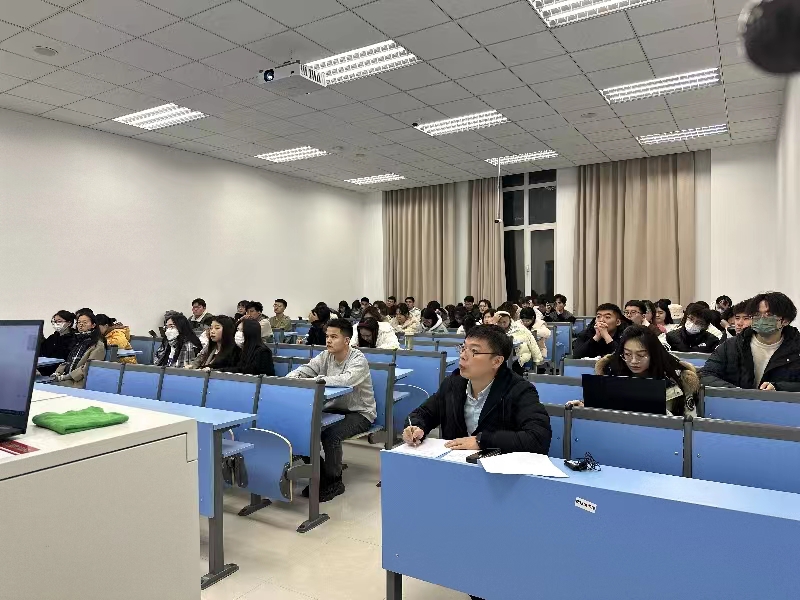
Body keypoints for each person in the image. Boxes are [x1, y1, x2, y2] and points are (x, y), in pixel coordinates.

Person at [402, 325, 551, 456]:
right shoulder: (453, 384)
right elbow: (424, 413)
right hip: (454, 467)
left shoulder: (519, 390)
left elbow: (538, 437)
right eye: (463, 348)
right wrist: (416, 427)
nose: (463, 355)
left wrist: (482, 441)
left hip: (497, 472)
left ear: (496, 361)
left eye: (474, 351)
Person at [287, 318, 376, 501]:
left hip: (360, 412)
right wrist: (291, 378)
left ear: (346, 340)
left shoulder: (358, 359)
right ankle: (320, 475)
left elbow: (346, 380)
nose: (328, 340)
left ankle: (335, 482)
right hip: (334, 410)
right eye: (327, 336)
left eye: (334, 337)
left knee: (331, 435)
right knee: (302, 428)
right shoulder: (325, 355)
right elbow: (306, 369)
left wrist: (316, 380)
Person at [568, 325, 699, 417]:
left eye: (641, 355)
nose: (634, 361)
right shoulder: (611, 371)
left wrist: (660, 415)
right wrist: (585, 407)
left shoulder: (679, 380)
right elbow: (603, 410)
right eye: (627, 354)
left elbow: (690, 423)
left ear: (654, 354)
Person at [700, 292, 800, 391]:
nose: (761, 319)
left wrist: (778, 388)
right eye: (757, 314)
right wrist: (737, 393)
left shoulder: (796, 348)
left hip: (778, 401)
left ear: (785, 321)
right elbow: (706, 375)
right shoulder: (732, 346)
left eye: (769, 315)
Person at [51, 311, 107, 388]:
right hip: (67, 378)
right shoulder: (77, 341)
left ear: (93, 325)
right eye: (79, 322)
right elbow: (68, 361)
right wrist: (57, 373)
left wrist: (66, 377)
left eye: (85, 322)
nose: (81, 325)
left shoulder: (98, 345)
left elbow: (89, 367)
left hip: (78, 382)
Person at [40, 311, 76, 375]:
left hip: (59, 371)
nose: (56, 323)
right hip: (44, 368)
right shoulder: (52, 337)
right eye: (54, 321)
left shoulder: (73, 339)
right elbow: (42, 351)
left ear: (69, 323)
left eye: (59, 321)